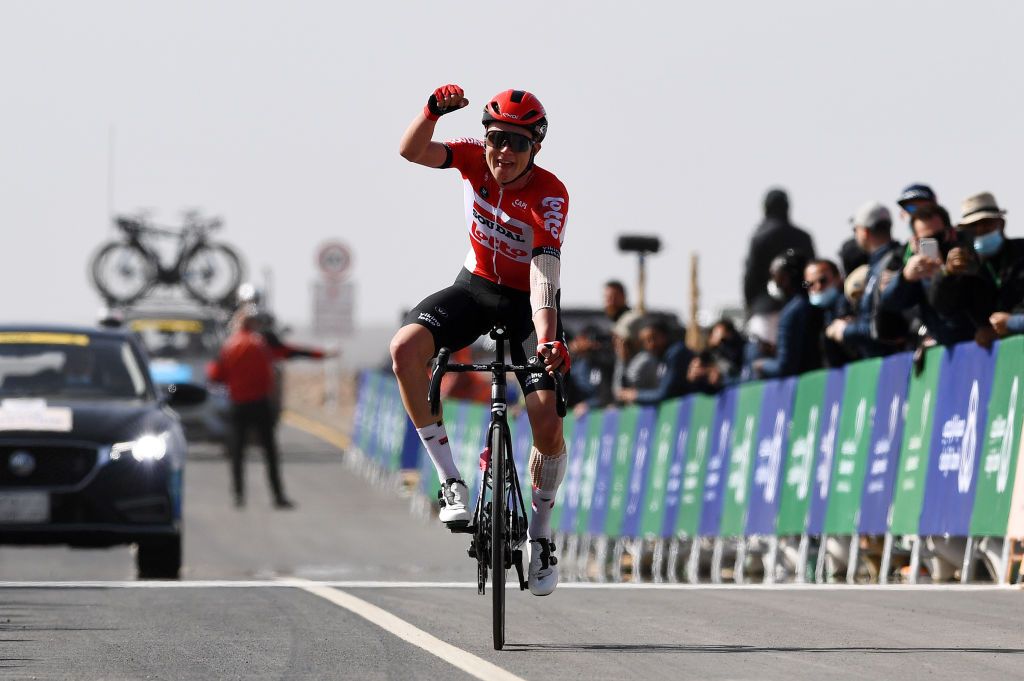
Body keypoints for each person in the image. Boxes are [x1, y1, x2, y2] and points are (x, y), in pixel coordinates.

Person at [392, 84, 569, 596]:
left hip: (528, 304)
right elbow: (412, 151)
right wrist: (429, 112)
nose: (504, 153)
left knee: (543, 419)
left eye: (517, 143)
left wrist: (549, 338)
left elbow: (543, 268)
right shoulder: (472, 158)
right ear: (484, 137)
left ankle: (541, 533)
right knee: (405, 348)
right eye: (496, 140)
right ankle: (450, 478)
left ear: (535, 147)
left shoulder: (550, 193)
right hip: (474, 289)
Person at [207, 306, 294, 510]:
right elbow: (273, 370)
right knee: (270, 451)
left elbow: (215, 375)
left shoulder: (229, 345)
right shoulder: (261, 343)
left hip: (238, 404)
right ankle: (278, 495)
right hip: (260, 403)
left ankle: (238, 495)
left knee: (237, 451)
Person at [880, 204, 997, 348]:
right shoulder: (918, 270)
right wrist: (905, 278)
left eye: (938, 237)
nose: (934, 244)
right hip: (945, 350)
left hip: (976, 343)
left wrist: (946, 273)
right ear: (915, 242)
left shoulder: (966, 254)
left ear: (951, 232)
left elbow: (956, 304)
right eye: (927, 240)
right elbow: (890, 303)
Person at [826, 201, 908, 358]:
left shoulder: (890, 263)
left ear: (864, 232)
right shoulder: (879, 263)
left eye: (855, 229)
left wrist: (845, 330)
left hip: (894, 363)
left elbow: (885, 327)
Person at [742, 188, 816, 346]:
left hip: (766, 311)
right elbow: (812, 272)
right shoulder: (803, 237)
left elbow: (751, 277)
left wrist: (751, 306)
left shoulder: (759, 237)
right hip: (801, 307)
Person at [954, 192, 1024, 338]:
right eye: (973, 226)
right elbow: (946, 307)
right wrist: (946, 275)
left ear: (1001, 224)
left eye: (986, 223)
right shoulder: (966, 268)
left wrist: (1013, 323)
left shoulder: (1021, 252)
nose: (980, 230)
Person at [751, 250, 822, 379]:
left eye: (777, 276)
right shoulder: (813, 302)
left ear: (786, 278)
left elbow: (785, 367)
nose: (775, 282)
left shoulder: (792, 312)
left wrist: (761, 365)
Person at [615, 318, 692, 405]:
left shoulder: (676, 353)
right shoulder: (659, 357)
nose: (651, 344)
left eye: (653, 338)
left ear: (665, 335)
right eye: (645, 341)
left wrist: (635, 395)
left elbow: (663, 394)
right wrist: (623, 360)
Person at [804, 259, 855, 367]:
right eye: (809, 284)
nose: (817, 287)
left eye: (823, 281)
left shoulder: (849, 301)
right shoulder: (818, 313)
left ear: (838, 278)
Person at [567, 325, 614, 415]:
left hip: (595, 413)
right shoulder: (574, 364)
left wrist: (588, 404)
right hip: (572, 413)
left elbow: (604, 395)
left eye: (585, 339)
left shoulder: (601, 363)